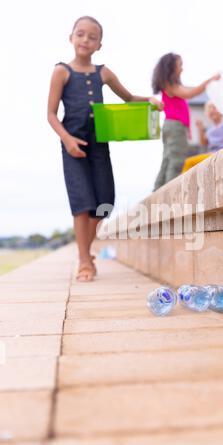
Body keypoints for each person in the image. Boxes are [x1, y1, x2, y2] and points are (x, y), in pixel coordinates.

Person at [47, 16, 162, 282]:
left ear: (99, 44)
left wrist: (151, 101)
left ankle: (86, 252)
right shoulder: (61, 71)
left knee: (105, 204)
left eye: (92, 37)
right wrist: (67, 140)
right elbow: (51, 114)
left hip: (99, 145)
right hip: (72, 144)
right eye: (80, 34)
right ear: (71, 37)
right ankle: (85, 261)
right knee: (82, 204)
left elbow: (129, 98)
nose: (85, 40)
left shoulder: (103, 72)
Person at [152, 53, 220, 190]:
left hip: (171, 126)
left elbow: (189, 90)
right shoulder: (170, 85)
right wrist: (210, 81)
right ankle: (170, 191)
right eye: (180, 65)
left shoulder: (170, 85)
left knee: (167, 160)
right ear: (171, 67)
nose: (182, 68)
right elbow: (191, 93)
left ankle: (158, 190)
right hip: (176, 127)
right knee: (176, 161)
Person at [182, 102, 223, 173]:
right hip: (210, 155)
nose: (212, 110)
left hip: (221, 152)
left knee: (188, 162)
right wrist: (200, 128)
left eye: (214, 108)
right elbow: (203, 143)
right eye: (210, 109)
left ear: (221, 110)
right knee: (188, 164)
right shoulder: (210, 130)